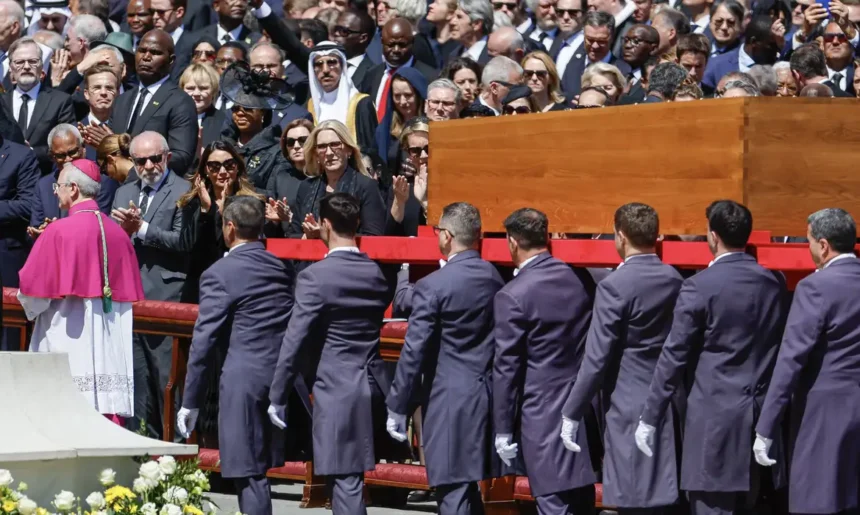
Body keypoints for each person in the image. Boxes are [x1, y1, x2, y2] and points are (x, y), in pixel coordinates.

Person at [636, 200, 788, 515]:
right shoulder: (775, 283)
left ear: (713, 237)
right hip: (761, 422)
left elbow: (673, 357)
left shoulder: (699, 287)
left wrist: (650, 416)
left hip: (714, 428)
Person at [268, 192, 398, 515]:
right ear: (357, 223)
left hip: (337, 387)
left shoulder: (315, 277)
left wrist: (278, 394)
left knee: (346, 481)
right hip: (373, 384)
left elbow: (294, 339)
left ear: (325, 225)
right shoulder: (374, 272)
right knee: (349, 478)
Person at [561, 203, 683, 514]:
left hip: (628, 404)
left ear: (621, 237)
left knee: (631, 499)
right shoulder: (674, 279)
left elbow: (596, 359)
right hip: (669, 400)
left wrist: (571, 412)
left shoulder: (614, 287)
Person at [386, 202, 506, 515]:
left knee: (452, 492)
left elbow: (414, 350)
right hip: (485, 393)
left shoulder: (433, 285)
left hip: (448, 399)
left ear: (447, 237)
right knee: (466, 491)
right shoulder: (494, 277)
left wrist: (397, 405)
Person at [178, 196, 295, 515]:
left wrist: (190, 401)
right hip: (280, 377)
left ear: (229, 227)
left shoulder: (219, 273)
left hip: (242, 381)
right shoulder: (281, 266)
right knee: (258, 471)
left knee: (249, 473)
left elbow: (203, 342)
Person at [17, 159, 144, 421]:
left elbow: (32, 293)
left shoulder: (58, 231)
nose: (55, 192)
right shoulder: (118, 233)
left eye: (58, 186)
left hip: (67, 333)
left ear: (73, 188)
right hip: (108, 338)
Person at [753, 208, 860, 515]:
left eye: (810, 241)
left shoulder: (815, 287)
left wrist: (765, 427)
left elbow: (791, 359)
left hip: (823, 412)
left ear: (824, 245)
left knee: (816, 499)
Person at [493, 208, 597, 515]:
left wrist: (502, 429)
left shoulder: (512, 295)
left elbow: (507, 369)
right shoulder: (579, 279)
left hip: (542, 414)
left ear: (512, 242)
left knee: (553, 504)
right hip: (583, 408)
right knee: (581, 503)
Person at [111, 130, 192, 438]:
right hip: (128, 297)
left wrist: (142, 228)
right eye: (140, 161)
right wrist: (122, 232)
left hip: (166, 297)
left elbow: (183, 241)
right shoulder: (123, 192)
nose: (148, 166)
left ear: (167, 157)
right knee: (137, 378)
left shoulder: (184, 190)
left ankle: (178, 447)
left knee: (166, 377)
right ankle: (144, 445)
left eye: (155, 159)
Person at [108, 29, 199, 176]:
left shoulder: (180, 101)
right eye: (142, 51)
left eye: (155, 52)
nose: (146, 57)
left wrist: (132, 158)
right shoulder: (121, 100)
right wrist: (107, 145)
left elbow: (181, 157)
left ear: (171, 60)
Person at [289, 120, 386, 238]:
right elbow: (292, 235)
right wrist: (307, 237)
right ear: (316, 154)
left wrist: (326, 235)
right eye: (322, 147)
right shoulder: (306, 187)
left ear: (349, 150)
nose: (329, 153)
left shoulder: (366, 186)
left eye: (335, 144)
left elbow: (373, 237)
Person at [4, 36, 76, 175]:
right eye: (19, 62)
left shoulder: (60, 101)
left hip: (44, 176)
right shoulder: (2, 102)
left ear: (41, 66)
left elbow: (67, 144)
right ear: (11, 67)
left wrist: (31, 152)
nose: (26, 66)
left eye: (33, 61)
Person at [220, 62, 293, 190]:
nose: (240, 113)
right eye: (235, 109)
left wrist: (238, 190)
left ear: (263, 112)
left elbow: (275, 193)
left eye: (248, 108)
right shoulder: (223, 146)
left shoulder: (277, 152)